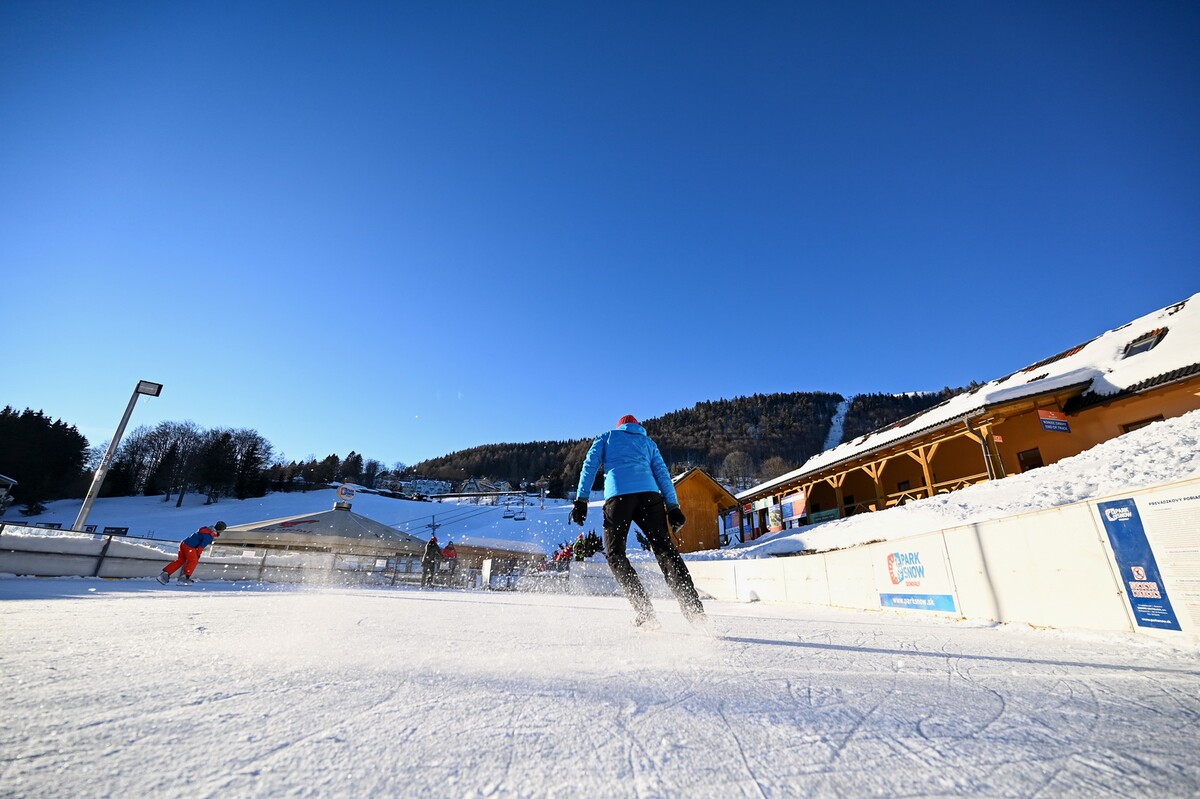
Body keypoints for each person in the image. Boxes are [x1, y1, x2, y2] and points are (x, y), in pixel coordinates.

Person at [571, 414, 705, 629]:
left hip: (619, 497)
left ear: (619, 427)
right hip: (650, 497)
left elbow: (589, 466)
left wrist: (581, 500)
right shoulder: (647, 442)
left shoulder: (606, 437)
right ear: (637, 427)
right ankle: (694, 611)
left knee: (615, 554)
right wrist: (673, 507)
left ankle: (645, 611)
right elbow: (662, 474)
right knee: (665, 551)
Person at [157, 521, 226, 585]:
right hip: (190, 546)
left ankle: (164, 575)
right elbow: (201, 547)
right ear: (221, 530)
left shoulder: (205, 529)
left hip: (184, 543)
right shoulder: (209, 535)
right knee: (194, 560)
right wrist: (198, 555)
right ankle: (184, 578)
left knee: (180, 560)